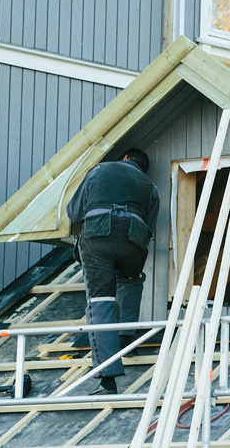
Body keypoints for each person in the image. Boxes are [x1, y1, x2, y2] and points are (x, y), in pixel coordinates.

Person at [67, 148, 159, 395]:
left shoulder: (101, 169)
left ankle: (108, 378)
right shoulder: (150, 187)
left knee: (101, 301)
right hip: (134, 238)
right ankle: (126, 337)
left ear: (125, 158)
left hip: (99, 235)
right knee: (131, 279)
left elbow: (74, 213)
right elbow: (149, 228)